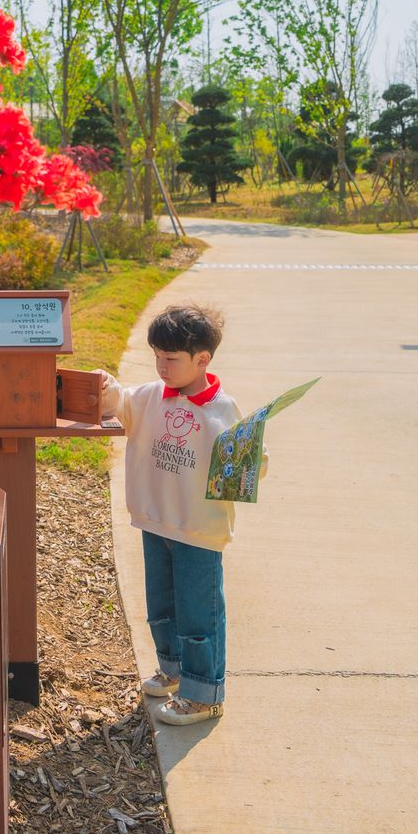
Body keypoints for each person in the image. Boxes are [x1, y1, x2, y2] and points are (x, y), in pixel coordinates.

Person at [98, 305, 265, 726]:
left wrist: (252, 457)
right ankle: (172, 670)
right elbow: (119, 403)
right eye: (157, 355)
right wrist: (104, 388)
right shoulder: (152, 395)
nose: (161, 366)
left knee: (198, 614)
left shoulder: (222, 409)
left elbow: (248, 463)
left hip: (198, 529)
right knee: (162, 606)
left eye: (171, 358)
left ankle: (204, 693)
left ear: (202, 360)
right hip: (156, 521)